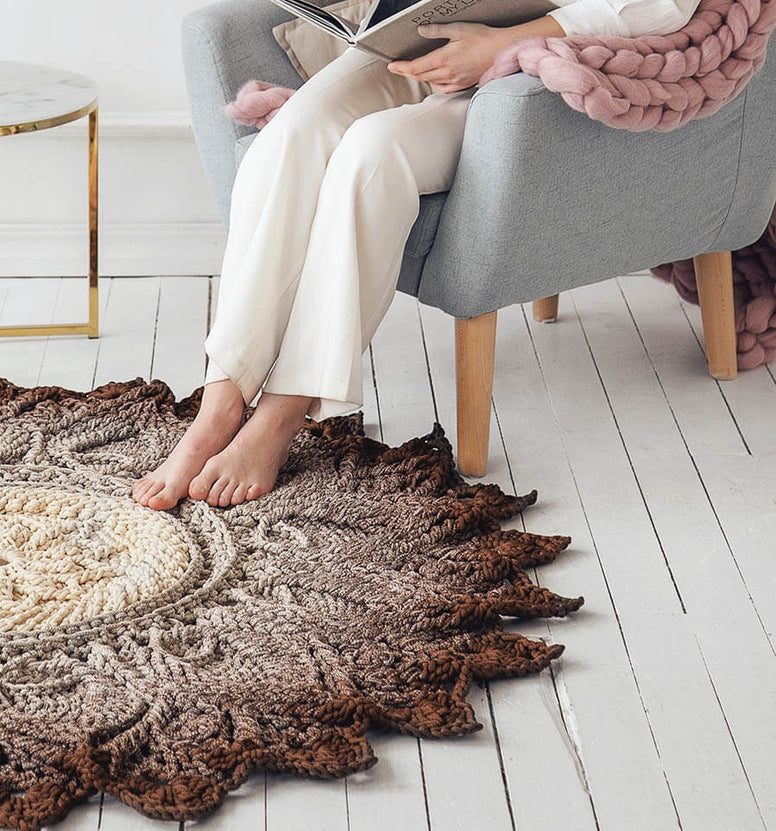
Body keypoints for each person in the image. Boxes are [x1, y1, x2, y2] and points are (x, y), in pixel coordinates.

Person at [133, 0, 700, 511]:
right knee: (287, 137)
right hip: (421, 39)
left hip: (526, 70)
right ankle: (220, 405)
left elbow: (664, 7)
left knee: (369, 157)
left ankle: (281, 416)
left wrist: (502, 42)